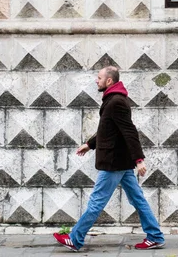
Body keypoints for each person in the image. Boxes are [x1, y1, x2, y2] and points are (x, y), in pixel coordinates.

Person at [53, 66, 165, 252]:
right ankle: (155, 236)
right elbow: (108, 131)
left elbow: (129, 131)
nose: (96, 81)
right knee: (138, 200)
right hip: (120, 161)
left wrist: (139, 160)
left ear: (109, 81)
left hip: (114, 162)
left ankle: (75, 238)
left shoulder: (116, 102)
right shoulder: (112, 100)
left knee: (97, 201)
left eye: (99, 78)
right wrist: (89, 144)